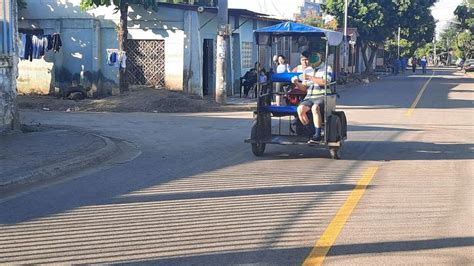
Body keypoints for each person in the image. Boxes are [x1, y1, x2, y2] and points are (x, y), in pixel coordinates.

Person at [292, 52, 333, 143]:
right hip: (309, 97)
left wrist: (310, 77)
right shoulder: (308, 70)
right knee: (300, 109)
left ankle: (318, 135)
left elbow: (325, 82)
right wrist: (296, 83)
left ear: (320, 57)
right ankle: (311, 132)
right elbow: (304, 88)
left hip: (323, 96)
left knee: (315, 107)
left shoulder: (327, 68)